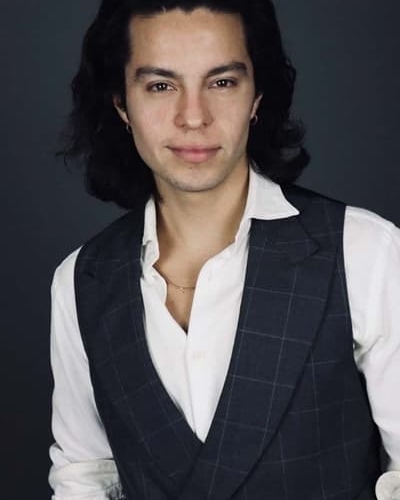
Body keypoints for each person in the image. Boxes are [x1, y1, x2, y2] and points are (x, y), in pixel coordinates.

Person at [49, 1, 400, 499]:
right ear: (121, 104)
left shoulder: (365, 252)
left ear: (257, 96)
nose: (193, 117)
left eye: (222, 82)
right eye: (161, 86)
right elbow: (83, 476)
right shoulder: (81, 281)